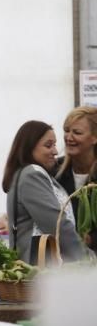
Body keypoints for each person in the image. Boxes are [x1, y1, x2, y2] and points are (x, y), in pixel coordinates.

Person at [3, 120, 86, 262]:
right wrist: (87, 258)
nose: (55, 151)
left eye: (54, 144)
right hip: (40, 268)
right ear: (29, 147)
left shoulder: (35, 174)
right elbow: (57, 225)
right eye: (48, 145)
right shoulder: (32, 175)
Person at [54, 106, 97, 249]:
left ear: (94, 138)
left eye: (77, 132)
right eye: (66, 131)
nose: (69, 137)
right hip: (63, 260)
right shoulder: (53, 171)